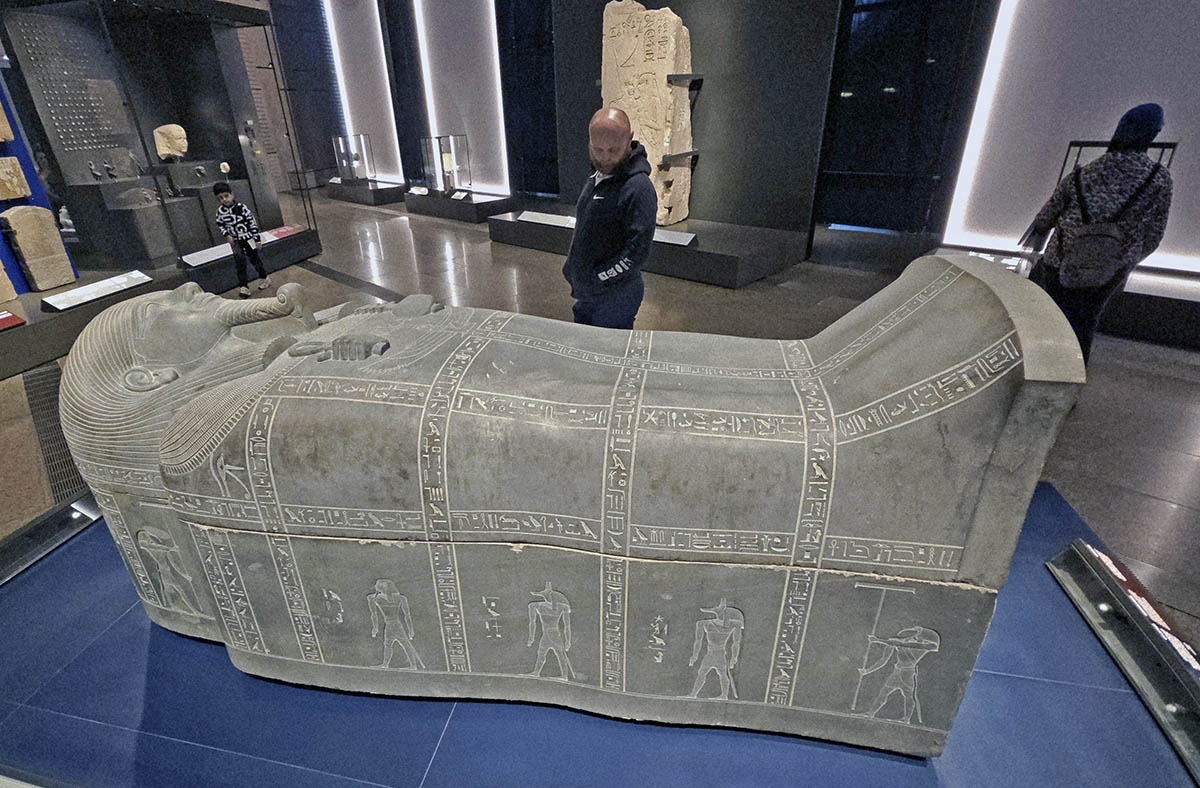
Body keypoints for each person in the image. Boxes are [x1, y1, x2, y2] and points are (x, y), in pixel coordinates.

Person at [1023, 104, 1173, 363]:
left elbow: (1046, 216)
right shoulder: (1159, 179)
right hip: (1109, 269)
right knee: (1085, 324)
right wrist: (1125, 258)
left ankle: (1040, 369)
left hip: (1062, 261)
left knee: (1052, 320)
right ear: (1153, 134)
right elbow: (1154, 234)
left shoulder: (1083, 173)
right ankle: (1070, 381)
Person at [562, 108, 657, 329]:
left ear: (629, 140)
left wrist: (598, 277)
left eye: (614, 150)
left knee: (608, 357)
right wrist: (573, 270)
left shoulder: (638, 188)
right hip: (588, 294)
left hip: (616, 297)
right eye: (598, 149)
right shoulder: (599, 176)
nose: (605, 157)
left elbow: (637, 252)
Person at [213, 182, 269, 298]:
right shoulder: (220, 212)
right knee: (239, 262)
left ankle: (264, 277)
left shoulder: (241, 208)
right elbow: (220, 225)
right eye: (221, 198)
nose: (224, 199)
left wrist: (256, 239)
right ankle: (244, 286)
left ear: (232, 194)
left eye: (226, 196)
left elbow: (252, 222)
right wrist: (227, 235)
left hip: (248, 238)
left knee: (254, 259)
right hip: (235, 241)